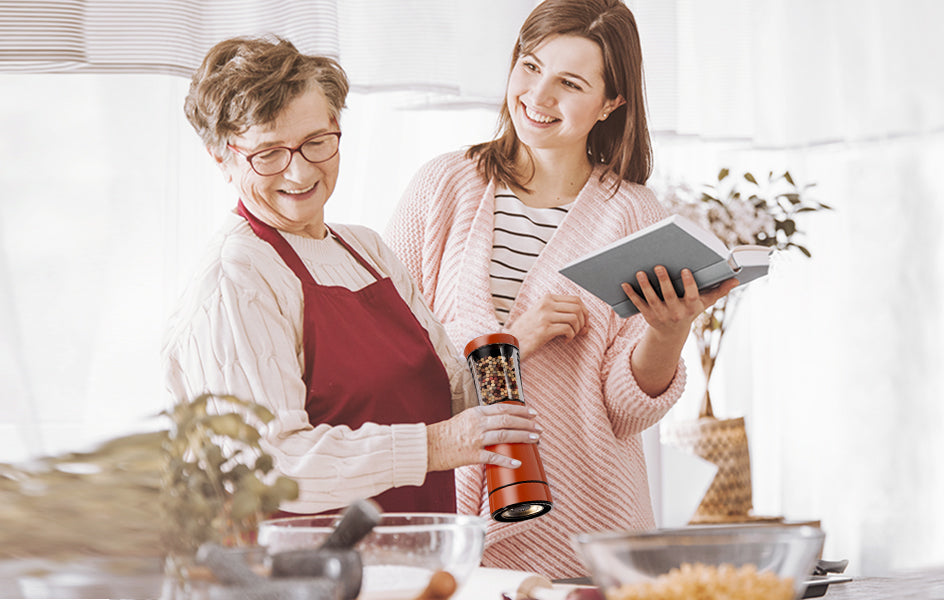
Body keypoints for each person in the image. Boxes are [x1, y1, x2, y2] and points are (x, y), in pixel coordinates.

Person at [385, 0, 734, 577]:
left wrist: (668, 331)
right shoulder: (442, 188)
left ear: (612, 102)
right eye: (529, 66)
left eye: (569, 83)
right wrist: (510, 343)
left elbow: (624, 410)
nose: (537, 96)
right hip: (446, 520)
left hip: (586, 529)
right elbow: (389, 364)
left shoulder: (631, 215)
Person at [162, 35, 540, 516]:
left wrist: (516, 341)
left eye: (316, 143)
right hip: (301, 578)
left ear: (337, 127)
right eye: (269, 154)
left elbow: (446, 393)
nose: (298, 174)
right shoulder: (233, 279)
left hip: (410, 557)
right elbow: (271, 467)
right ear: (224, 158)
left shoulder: (366, 251)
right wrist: (435, 447)